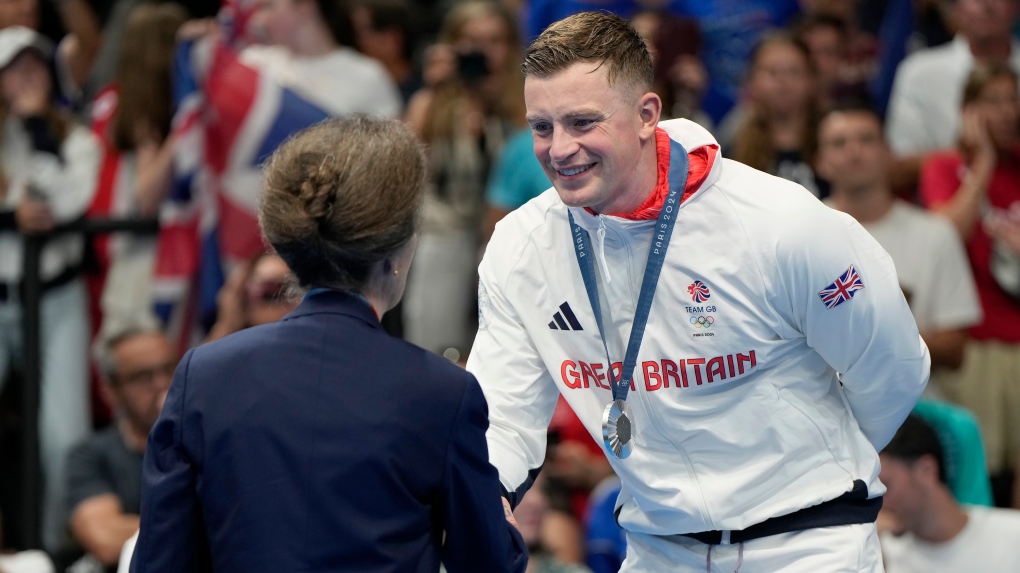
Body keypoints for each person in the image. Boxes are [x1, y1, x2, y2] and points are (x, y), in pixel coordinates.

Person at [468, 12, 929, 571]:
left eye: (582, 122)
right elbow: (503, 414)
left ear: (646, 114)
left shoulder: (780, 223)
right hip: (658, 550)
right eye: (542, 127)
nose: (559, 149)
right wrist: (485, 492)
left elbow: (893, 367)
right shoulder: (520, 248)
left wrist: (813, 469)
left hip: (809, 546)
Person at [130, 117, 527, 573]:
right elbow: (489, 566)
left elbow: (159, 563)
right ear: (398, 253)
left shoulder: (201, 376)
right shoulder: (443, 393)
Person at [0, 25, 101, 552]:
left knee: (65, 438)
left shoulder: (75, 137)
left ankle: (59, 553)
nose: (28, 76)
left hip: (57, 295)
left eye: (36, 64)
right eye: (15, 67)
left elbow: (67, 202)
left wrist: (38, 126)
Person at [918, 62, 1020, 505]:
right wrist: (984, 166)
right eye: (992, 101)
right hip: (974, 345)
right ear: (968, 112)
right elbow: (946, 232)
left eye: (1012, 100)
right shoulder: (945, 166)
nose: (1006, 112)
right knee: (979, 474)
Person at [817, 104, 981, 375]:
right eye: (838, 143)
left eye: (866, 139)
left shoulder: (935, 235)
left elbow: (955, 349)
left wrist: (872, 343)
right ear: (820, 161)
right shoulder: (799, 234)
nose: (854, 152)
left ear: (888, 153)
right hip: (824, 406)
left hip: (919, 405)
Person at [403, 0, 525, 355]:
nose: (482, 51)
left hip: (505, 235)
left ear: (510, 47)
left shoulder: (524, 102)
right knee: (433, 345)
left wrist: (494, 97)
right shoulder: (433, 103)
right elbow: (403, 169)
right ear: (451, 46)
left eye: (494, 40)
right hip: (444, 236)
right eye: (471, 40)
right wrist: (435, 91)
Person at [65, 325, 174, 572]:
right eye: (143, 376)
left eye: (169, 369)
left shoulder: (202, 441)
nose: (162, 385)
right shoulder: (92, 453)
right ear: (110, 391)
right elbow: (104, 539)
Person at [885, 0, 1020, 186]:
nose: (987, 5)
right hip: (942, 203)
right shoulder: (920, 72)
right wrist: (980, 153)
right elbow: (900, 165)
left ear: (1015, 6)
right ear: (955, 8)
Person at [878, 414, 1020, 572]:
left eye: (885, 486)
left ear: (926, 470)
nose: (877, 505)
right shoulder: (880, 554)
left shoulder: (1013, 537)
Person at [241, 0, 401, 117]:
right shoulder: (253, 63)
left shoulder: (366, 75)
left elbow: (392, 154)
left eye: (268, 6)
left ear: (305, 5)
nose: (258, 20)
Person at [725, 33, 826, 199]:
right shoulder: (733, 142)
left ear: (812, 79)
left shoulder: (835, 139)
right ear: (752, 81)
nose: (783, 81)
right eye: (772, 72)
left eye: (794, 72)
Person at [205, 251, 298, 342]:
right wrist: (226, 325)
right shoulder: (229, 352)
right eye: (271, 293)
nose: (295, 303)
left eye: (297, 292)